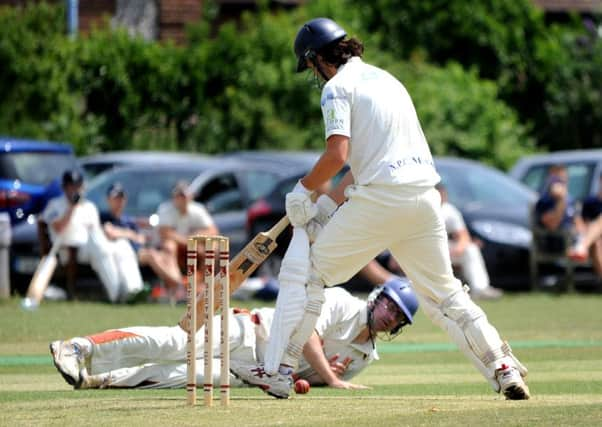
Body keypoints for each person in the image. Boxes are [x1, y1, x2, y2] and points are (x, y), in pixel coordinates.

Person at [230, 18, 530, 400]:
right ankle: (502, 367)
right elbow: (362, 161)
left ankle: (281, 369)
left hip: (381, 200)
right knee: (447, 296)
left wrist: (303, 189)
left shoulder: (337, 89)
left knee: (308, 276)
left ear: (317, 58)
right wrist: (326, 204)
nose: (314, 75)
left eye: (310, 66)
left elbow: (337, 153)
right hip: (423, 199)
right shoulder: (388, 81)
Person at [49, 278, 418, 390]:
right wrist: (328, 377)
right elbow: (308, 337)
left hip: (252, 373)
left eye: (397, 316)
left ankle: (96, 378)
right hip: (247, 331)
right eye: (389, 306)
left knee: (177, 378)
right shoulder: (341, 301)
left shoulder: (363, 359)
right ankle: (79, 347)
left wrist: (306, 383)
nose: (389, 316)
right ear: (376, 298)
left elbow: (303, 381)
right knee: (174, 344)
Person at [41, 170, 144, 303]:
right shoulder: (54, 205)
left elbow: (97, 232)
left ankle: (134, 290)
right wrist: (71, 208)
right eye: (71, 186)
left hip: (94, 247)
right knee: (99, 245)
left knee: (122, 245)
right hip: (68, 249)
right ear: (65, 187)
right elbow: (59, 228)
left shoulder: (89, 207)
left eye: (78, 186)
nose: (75, 190)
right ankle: (116, 295)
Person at [100, 182, 183, 297]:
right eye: (115, 198)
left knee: (168, 250)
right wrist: (130, 234)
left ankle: (177, 287)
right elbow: (110, 232)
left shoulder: (128, 220)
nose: (119, 201)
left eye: (121, 198)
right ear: (108, 199)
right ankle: (179, 286)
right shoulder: (104, 216)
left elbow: (141, 239)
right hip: (125, 254)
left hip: (139, 250)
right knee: (152, 255)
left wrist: (135, 235)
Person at [436, 183, 503, 300]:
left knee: (471, 249)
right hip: (427, 250)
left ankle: (480, 289)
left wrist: (459, 247)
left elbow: (463, 236)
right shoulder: (422, 209)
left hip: (446, 249)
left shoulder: (449, 210)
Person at [157, 180, 219, 289]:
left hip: (191, 246)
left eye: (184, 196)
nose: (182, 199)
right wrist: (190, 241)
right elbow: (165, 233)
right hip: (177, 248)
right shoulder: (165, 209)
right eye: (179, 196)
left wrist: (194, 239)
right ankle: (176, 284)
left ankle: (202, 284)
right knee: (169, 247)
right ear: (173, 197)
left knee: (212, 247)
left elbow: (213, 231)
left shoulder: (198, 209)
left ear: (190, 196)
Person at [567, 173, 602, 274]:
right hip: (594, 237)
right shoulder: (590, 201)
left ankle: (581, 246)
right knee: (597, 244)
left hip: (590, 237)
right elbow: (581, 221)